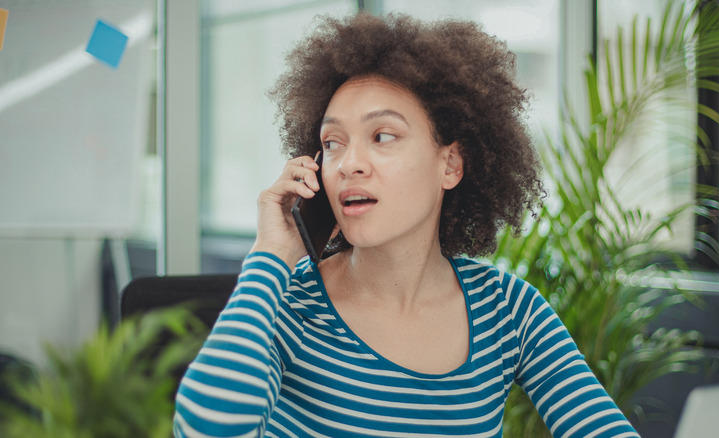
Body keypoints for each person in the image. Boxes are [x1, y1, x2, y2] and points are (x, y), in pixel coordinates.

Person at [173, 12, 640, 438]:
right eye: (332, 143)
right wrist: (270, 258)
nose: (349, 164)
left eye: (382, 136)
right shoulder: (291, 303)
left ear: (450, 165)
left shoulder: (507, 310)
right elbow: (204, 429)